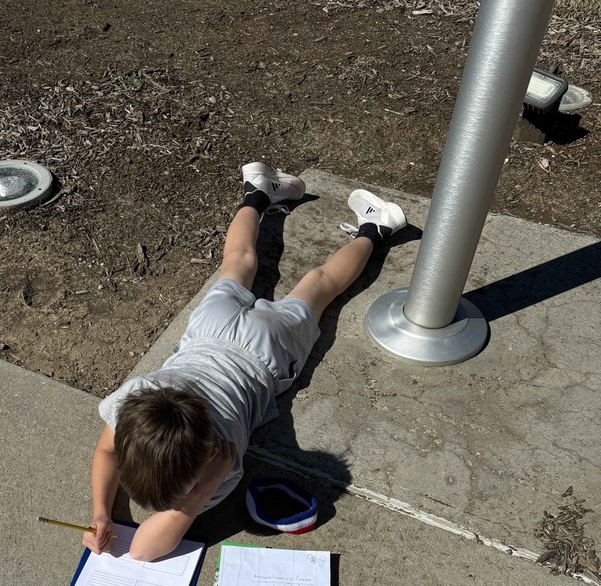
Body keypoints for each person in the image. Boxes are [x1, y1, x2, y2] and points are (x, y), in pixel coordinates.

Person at [84, 162, 406, 562]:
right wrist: (101, 512)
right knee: (242, 261)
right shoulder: (135, 396)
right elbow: (108, 452)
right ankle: (256, 189)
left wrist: (200, 491)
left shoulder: (221, 460)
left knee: (318, 285)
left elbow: (145, 551)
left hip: (265, 355)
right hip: (210, 335)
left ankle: (379, 227)